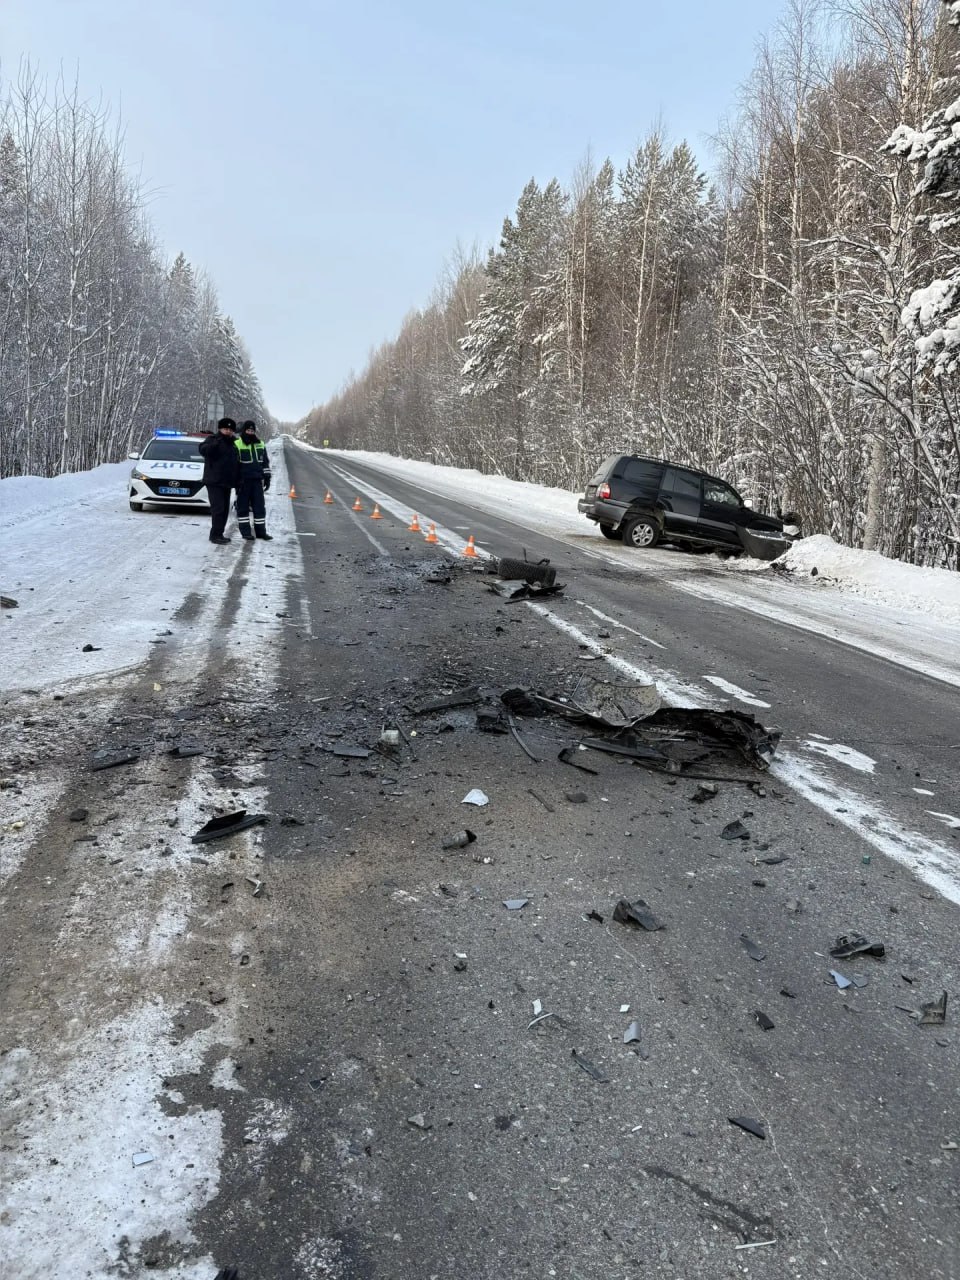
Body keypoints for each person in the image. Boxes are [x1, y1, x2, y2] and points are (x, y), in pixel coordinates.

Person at [198, 417, 241, 544]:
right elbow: (203, 450)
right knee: (218, 509)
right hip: (213, 481)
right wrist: (214, 445)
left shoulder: (235, 442)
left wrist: (239, 480)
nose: (228, 431)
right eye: (225, 429)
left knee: (225, 509)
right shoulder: (212, 439)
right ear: (220, 429)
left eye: (230, 430)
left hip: (227, 482)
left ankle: (219, 533)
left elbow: (238, 462)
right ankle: (215, 535)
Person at [234, 420, 273, 540]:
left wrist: (267, 477)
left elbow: (265, 462)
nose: (250, 432)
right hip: (243, 482)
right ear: (244, 431)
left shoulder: (260, 443)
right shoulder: (237, 443)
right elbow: (234, 465)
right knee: (243, 508)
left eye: (252, 431)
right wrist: (236, 481)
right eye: (248, 430)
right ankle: (246, 532)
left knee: (259, 508)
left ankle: (261, 532)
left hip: (257, 481)